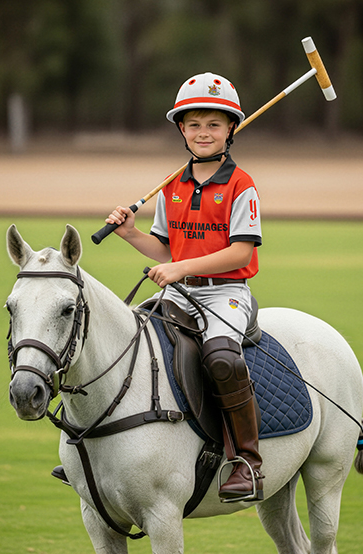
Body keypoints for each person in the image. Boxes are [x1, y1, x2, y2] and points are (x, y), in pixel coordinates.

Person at [105, 72, 264, 501]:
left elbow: (240, 254)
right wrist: (131, 234)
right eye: (193, 124)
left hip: (224, 293)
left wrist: (181, 268)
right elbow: (163, 249)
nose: (203, 133)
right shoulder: (171, 185)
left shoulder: (240, 185)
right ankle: (104, 450)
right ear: (181, 129)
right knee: (129, 338)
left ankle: (248, 462)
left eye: (214, 123)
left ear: (232, 128)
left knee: (222, 358)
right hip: (181, 290)